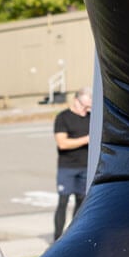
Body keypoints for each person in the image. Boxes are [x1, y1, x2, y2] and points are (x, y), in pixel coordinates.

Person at [52, 87, 92, 240]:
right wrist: (86, 139)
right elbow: (62, 143)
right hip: (67, 167)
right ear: (76, 101)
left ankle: (72, 237)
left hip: (85, 166)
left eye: (89, 107)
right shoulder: (63, 118)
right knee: (63, 201)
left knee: (81, 203)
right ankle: (57, 239)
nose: (86, 110)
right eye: (84, 106)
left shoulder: (90, 117)